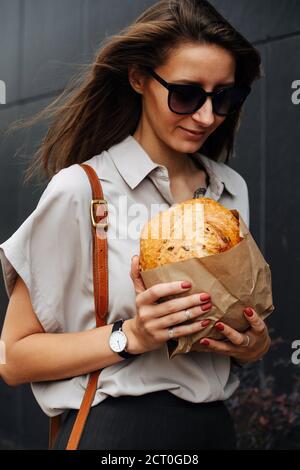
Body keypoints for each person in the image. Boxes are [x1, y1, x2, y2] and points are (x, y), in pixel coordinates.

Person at [0, 0, 271, 450]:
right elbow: (13, 357)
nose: (206, 116)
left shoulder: (231, 189)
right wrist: (132, 336)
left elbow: (236, 332)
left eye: (224, 96)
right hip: (118, 433)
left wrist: (250, 346)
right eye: (185, 94)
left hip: (215, 430)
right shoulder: (82, 190)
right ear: (139, 78)